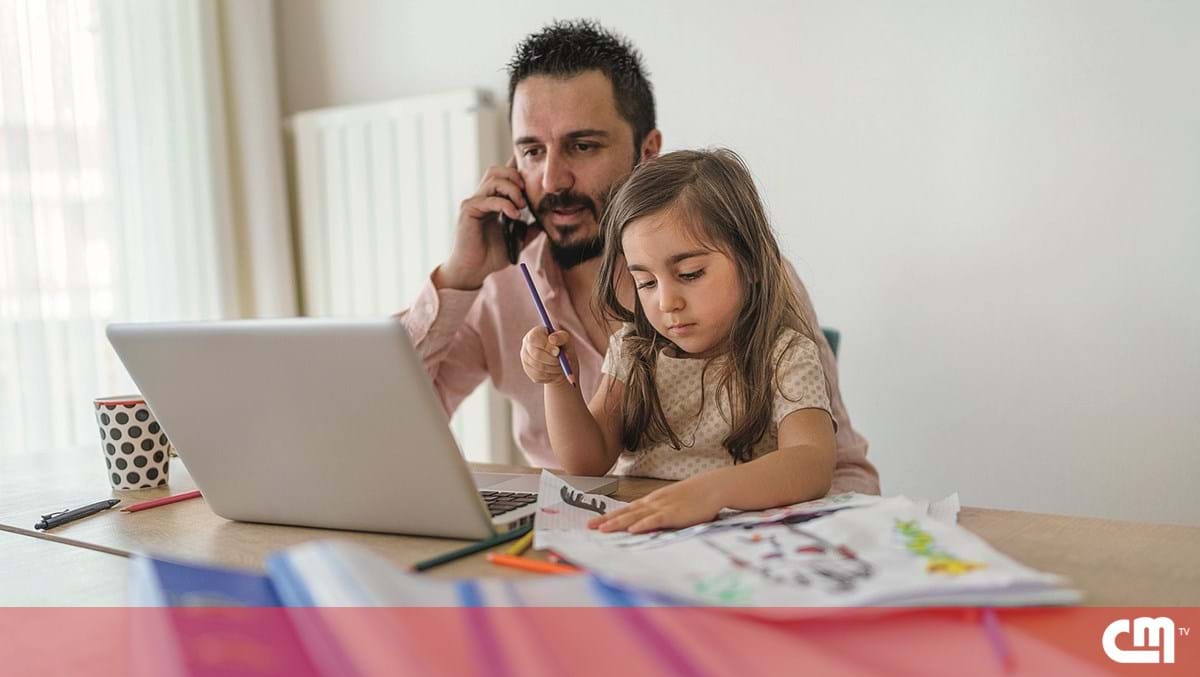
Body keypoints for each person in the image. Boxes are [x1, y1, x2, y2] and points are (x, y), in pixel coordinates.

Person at [398, 20, 878, 494]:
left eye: (582, 146)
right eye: (531, 151)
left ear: (647, 151)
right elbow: (387, 419)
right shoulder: (500, 284)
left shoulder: (758, 280)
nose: (552, 180)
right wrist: (459, 276)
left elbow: (840, 469)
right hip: (592, 535)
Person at [521, 148, 837, 532]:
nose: (666, 302)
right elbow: (586, 463)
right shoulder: (633, 350)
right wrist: (557, 383)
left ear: (752, 263)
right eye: (646, 282)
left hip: (740, 539)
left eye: (689, 273)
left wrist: (711, 492)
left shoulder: (784, 354)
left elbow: (811, 462)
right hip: (643, 532)